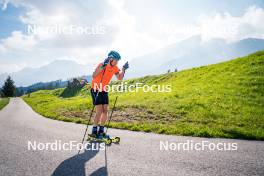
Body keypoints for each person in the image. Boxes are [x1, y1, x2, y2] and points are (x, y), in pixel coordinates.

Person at [89, 51, 129, 138]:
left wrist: (123, 69)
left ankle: (101, 131)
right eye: (116, 60)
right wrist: (103, 66)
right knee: (99, 111)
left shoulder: (115, 67)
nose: (117, 62)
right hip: (96, 89)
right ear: (111, 59)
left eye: (118, 61)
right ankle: (94, 131)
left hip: (104, 90)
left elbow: (119, 78)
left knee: (105, 111)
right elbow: (94, 75)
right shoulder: (102, 64)